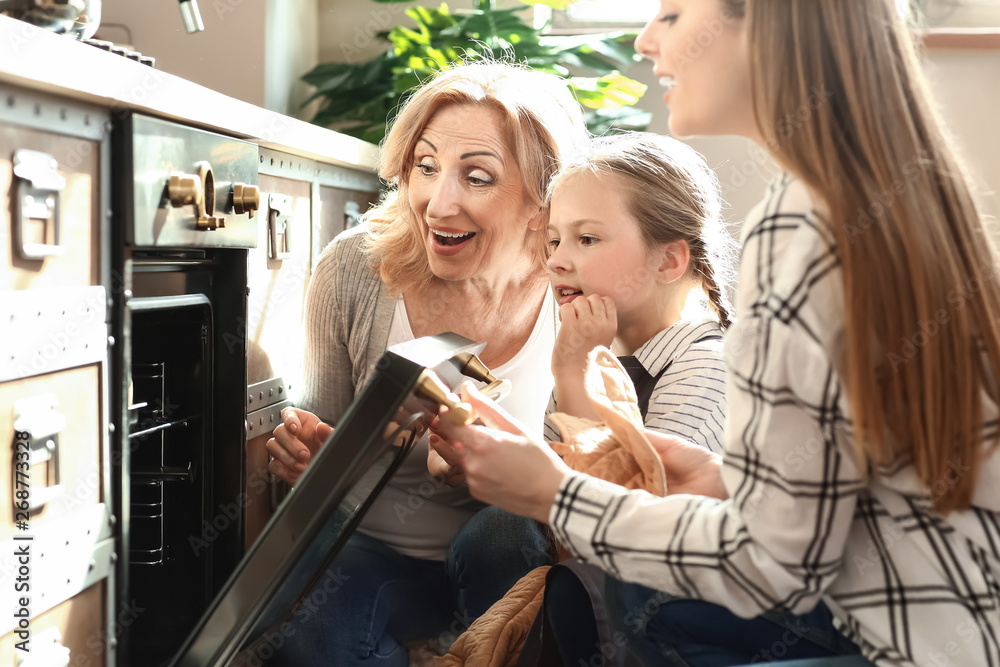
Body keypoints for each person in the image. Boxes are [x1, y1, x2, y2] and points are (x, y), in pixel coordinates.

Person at [433, 1, 1000, 665]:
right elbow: (858, 489)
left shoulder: (799, 234)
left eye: (672, 14)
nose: (645, 38)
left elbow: (769, 564)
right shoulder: (895, 197)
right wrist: (724, 475)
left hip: (906, 649)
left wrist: (555, 493)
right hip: (962, 622)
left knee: (628, 591)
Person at [263, 61, 590, 665]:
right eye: (426, 167)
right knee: (314, 636)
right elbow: (319, 426)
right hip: (367, 547)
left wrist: (494, 474)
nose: (438, 204)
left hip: (507, 554)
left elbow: (589, 478)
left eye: (478, 177)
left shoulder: (576, 291)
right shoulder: (354, 271)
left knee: (505, 530)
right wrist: (313, 452)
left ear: (542, 201)